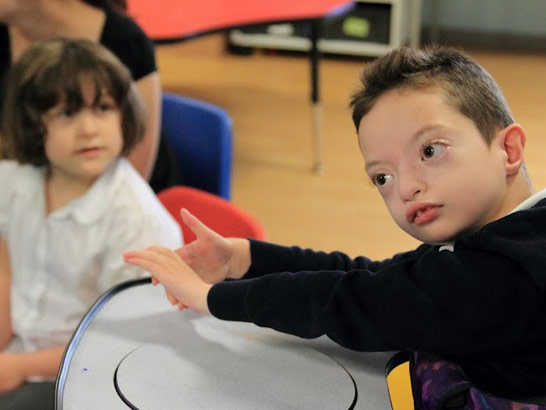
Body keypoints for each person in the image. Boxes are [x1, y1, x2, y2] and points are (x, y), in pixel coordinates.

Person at [124, 45, 546, 406]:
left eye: (430, 150)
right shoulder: (492, 240)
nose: (407, 188)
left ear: (508, 149)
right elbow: (372, 276)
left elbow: (354, 302)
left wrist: (212, 298)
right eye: (383, 177)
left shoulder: (509, 271)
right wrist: (246, 258)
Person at [0, 38, 182, 409]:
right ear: (33, 125)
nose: (89, 129)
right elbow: (5, 267)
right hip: (18, 354)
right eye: (67, 114)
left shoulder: (137, 221)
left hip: (86, 374)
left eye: (102, 109)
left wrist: (20, 367)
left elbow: (125, 345)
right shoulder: (14, 181)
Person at [0, 0, 179, 191]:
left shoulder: (126, 42)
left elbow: (133, 174)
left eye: (102, 108)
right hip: (36, 191)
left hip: (108, 199)